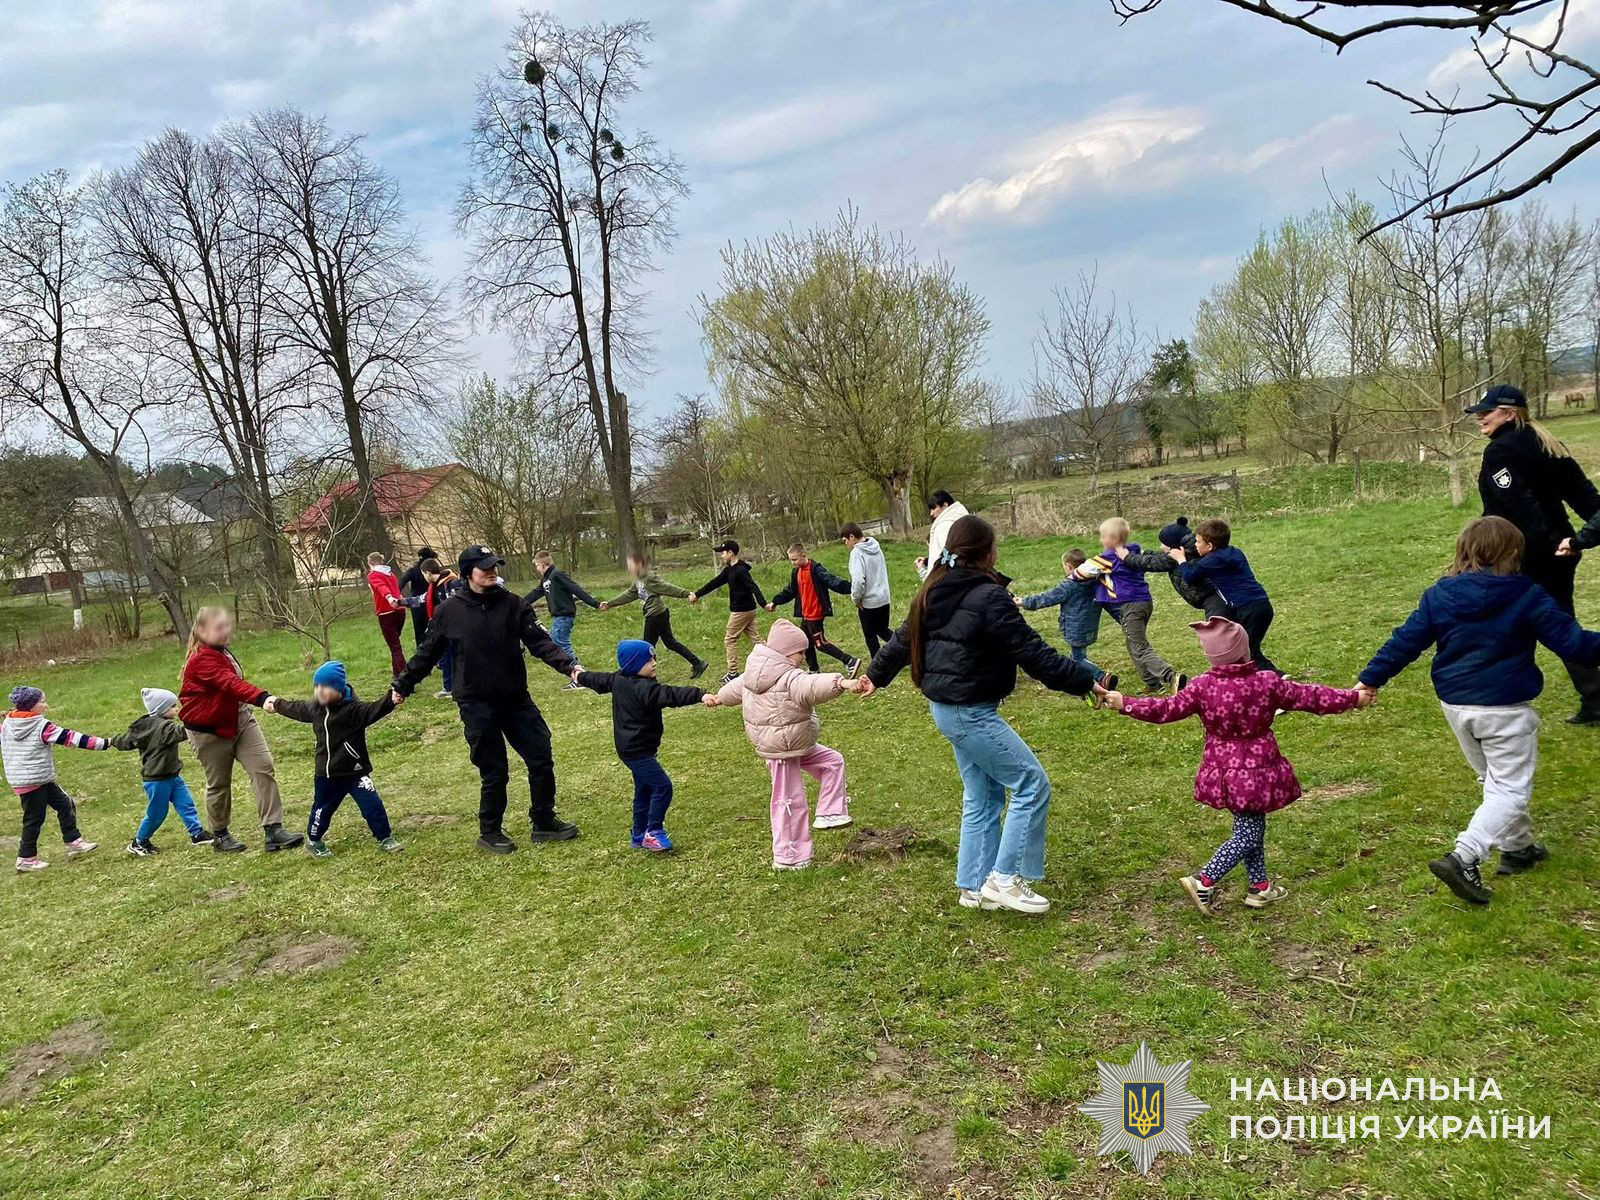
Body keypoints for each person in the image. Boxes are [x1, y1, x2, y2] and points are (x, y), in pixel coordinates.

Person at [864, 515, 1102, 914]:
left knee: (984, 794)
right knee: (1030, 783)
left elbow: (902, 638)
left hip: (947, 708)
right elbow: (1033, 652)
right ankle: (1005, 879)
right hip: (968, 712)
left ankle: (974, 886)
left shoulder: (933, 587)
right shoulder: (986, 597)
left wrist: (874, 675)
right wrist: (1084, 682)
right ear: (988, 554)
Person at [1357, 516, 1600, 905]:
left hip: (1456, 707)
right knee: (1509, 788)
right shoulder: (1527, 595)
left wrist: (1370, 679)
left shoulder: (1441, 594)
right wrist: (1371, 677)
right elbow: (1575, 644)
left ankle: (1518, 848)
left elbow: (1406, 640)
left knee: (1494, 781)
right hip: (1504, 710)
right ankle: (1465, 856)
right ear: (1513, 553)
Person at [1108, 617, 1370, 916]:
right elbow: (1311, 696)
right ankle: (1203, 880)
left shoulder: (1201, 686)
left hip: (1222, 770)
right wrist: (1352, 698)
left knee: (1250, 824)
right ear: (1244, 649)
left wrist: (1125, 703)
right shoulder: (1267, 682)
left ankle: (1260, 888)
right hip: (1257, 769)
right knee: (1248, 832)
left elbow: (1165, 709)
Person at [393, 545, 581, 853]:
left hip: (515, 698)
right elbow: (427, 654)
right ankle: (490, 831)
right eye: (486, 567)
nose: (493, 571)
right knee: (494, 770)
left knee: (541, 756)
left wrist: (569, 667)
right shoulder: (449, 612)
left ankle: (544, 821)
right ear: (469, 574)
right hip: (476, 702)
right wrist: (404, 683)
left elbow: (540, 643)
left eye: (495, 566)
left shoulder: (514, 605)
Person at [1470, 383, 1600, 724]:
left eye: (1488, 411)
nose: (1480, 417)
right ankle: (1595, 699)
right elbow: (1588, 500)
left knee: (1515, 622)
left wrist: (1549, 543)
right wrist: (1578, 540)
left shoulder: (1501, 451)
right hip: (1559, 551)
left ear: (1509, 413)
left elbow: (1519, 507)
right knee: (1557, 621)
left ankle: (1501, 701)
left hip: (1523, 554)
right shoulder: (1548, 443)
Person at [712, 619, 865, 869]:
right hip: (780, 750)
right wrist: (842, 683)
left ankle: (830, 812)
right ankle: (789, 856)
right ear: (785, 652)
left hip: (795, 743)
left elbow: (734, 689)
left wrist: (719, 698)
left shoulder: (756, 671)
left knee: (832, 761)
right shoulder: (789, 677)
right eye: (800, 652)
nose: (804, 657)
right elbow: (812, 685)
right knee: (788, 800)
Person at [180, 606, 302, 854]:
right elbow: (230, 683)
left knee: (263, 767)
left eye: (227, 626)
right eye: (219, 628)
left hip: (241, 720)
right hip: (209, 730)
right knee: (219, 784)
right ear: (202, 631)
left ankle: (273, 830)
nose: (226, 632)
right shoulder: (201, 658)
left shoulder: (221, 650)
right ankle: (221, 835)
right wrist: (263, 698)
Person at [575, 639, 706, 851]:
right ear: (634, 665)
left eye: (654, 658)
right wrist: (699, 695)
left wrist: (580, 675)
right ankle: (653, 832)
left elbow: (598, 679)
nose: (654, 663)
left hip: (635, 747)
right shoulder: (644, 688)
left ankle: (638, 835)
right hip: (637, 751)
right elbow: (670, 694)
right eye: (648, 660)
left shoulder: (619, 678)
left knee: (644, 790)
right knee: (662, 786)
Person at [264, 660, 404, 858]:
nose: (319, 691)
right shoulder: (315, 708)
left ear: (338, 689)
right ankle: (314, 840)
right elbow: (294, 707)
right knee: (322, 810)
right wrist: (276, 703)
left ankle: (385, 838)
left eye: (325, 687)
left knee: (372, 804)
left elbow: (374, 709)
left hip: (356, 772)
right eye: (317, 686)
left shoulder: (354, 710)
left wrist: (391, 699)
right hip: (327, 775)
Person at [3, 685, 105, 872]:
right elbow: (70, 738)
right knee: (33, 819)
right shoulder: (41, 726)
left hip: (36, 778)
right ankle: (26, 858)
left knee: (65, 804)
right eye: (42, 702)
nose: (46, 705)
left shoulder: (8, 723)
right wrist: (102, 743)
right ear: (31, 706)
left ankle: (73, 842)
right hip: (33, 781)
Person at [1168, 518, 1278, 673]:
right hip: (1262, 604)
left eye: (1198, 542)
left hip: (1247, 610)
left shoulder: (1211, 561)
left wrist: (1181, 560)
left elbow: (1190, 577)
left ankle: (1277, 679)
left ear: (1210, 546)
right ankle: (1260, 680)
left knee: (1247, 651)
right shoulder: (1235, 552)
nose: (1195, 545)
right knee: (1248, 648)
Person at [113, 687, 212, 856]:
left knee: (186, 804)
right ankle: (139, 842)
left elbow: (126, 741)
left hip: (172, 775)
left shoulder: (143, 726)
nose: (177, 709)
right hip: (157, 780)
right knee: (157, 813)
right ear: (161, 709)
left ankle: (197, 833)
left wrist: (112, 741)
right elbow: (181, 732)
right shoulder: (164, 728)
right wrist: (198, 721)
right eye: (173, 706)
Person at [1091, 517, 1185, 695]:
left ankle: (1170, 677)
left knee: (1139, 646)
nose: (1101, 540)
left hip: (1131, 605)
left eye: (1103, 536)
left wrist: (1072, 574)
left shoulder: (1109, 557)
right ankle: (1151, 683)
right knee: (1132, 643)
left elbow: (1084, 571)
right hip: (1144, 602)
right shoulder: (1134, 551)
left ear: (1113, 538)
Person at [1016, 548, 1116, 693]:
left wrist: (1023, 602)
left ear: (1069, 566)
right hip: (1090, 626)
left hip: (1075, 629)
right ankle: (1087, 677)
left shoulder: (1069, 585)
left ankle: (1101, 677)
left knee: (1077, 658)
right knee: (1078, 655)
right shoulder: (1095, 581)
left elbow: (1047, 598)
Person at [601, 552, 709, 679]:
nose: (629, 568)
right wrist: (610, 604)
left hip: (656, 615)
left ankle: (649, 677)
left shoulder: (648, 578)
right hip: (658, 613)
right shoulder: (639, 579)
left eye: (631, 565)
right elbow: (629, 594)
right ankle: (697, 663)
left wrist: (687, 593)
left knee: (646, 647)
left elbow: (667, 587)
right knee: (670, 643)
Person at [767, 542, 861, 676]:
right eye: (791, 560)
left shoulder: (816, 569)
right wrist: (775, 602)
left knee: (820, 643)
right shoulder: (796, 572)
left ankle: (850, 661)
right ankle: (813, 669)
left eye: (794, 559)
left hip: (815, 613)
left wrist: (853, 588)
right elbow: (790, 591)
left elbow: (832, 581)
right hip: (806, 615)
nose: (792, 563)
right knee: (805, 642)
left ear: (803, 555)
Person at [1120, 516, 1228, 619]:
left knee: (1217, 628)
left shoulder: (1175, 558)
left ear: (1173, 546)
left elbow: (1152, 563)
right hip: (1208, 596)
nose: (1160, 547)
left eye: (1163, 544)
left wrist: (1126, 557)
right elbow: (1159, 556)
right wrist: (1143, 552)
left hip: (1211, 599)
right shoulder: (1188, 549)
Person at [694, 539, 767, 685]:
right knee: (756, 640)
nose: (721, 555)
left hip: (741, 611)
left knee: (730, 639)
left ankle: (733, 673)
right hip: (748, 610)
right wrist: (697, 594)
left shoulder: (740, 570)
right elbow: (714, 583)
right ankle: (775, 658)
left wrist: (764, 604)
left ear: (731, 553)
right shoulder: (730, 570)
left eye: (723, 552)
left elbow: (753, 586)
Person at [525, 549, 601, 684]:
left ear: (542, 564)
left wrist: (595, 604)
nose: (537, 569)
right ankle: (577, 672)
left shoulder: (557, 575)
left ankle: (579, 676)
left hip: (564, 615)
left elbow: (576, 589)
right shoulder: (546, 579)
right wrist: (517, 604)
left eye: (537, 565)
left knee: (560, 642)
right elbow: (535, 594)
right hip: (558, 617)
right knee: (557, 641)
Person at [840, 523, 893, 658]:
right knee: (882, 630)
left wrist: (856, 599)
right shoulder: (876, 547)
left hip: (869, 602)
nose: (845, 544)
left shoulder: (857, 553)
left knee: (870, 636)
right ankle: (907, 650)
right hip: (884, 598)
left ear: (851, 537)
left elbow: (858, 580)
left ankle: (877, 664)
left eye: (845, 540)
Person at [420, 557, 464, 698]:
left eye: (423, 575)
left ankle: (454, 686)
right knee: (445, 657)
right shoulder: (435, 587)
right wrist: (401, 601)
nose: (424, 578)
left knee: (455, 656)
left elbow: (458, 603)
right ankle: (449, 687)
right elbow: (422, 599)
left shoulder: (451, 583)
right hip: (443, 628)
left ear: (427, 572)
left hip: (454, 628)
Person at [366, 552, 409, 675]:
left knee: (395, 647)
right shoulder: (391, 574)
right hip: (400, 611)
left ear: (372, 563)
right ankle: (396, 673)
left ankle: (404, 677)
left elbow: (381, 587)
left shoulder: (373, 575)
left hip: (386, 613)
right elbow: (395, 589)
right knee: (395, 645)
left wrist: (389, 598)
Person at [916, 490, 969, 579]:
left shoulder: (944, 525)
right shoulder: (964, 521)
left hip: (947, 580)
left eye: (934, 508)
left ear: (945, 505)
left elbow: (948, 556)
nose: (931, 513)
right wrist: (927, 561)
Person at [398, 546, 437, 649]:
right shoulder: (432, 569)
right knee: (434, 627)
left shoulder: (413, 570)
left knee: (419, 630)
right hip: (432, 601)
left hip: (417, 604)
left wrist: (398, 594)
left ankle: (421, 650)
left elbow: (401, 582)